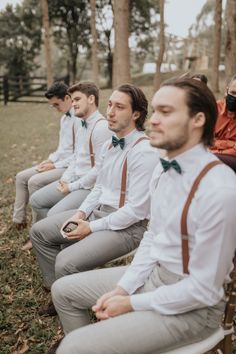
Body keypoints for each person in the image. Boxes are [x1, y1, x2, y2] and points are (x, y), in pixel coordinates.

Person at [50, 78, 236, 354]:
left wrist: (131, 303)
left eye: (167, 112)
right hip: (153, 274)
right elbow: (151, 237)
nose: (154, 121)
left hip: (194, 309)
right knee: (63, 291)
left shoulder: (220, 189)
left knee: (71, 348)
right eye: (156, 111)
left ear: (198, 119)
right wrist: (124, 288)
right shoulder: (163, 169)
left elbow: (204, 291)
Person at [30, 83, 159, 316]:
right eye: (110, 104)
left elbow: (136, 211)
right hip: (98, 212)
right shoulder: (110, 144)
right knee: (39, 232)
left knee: (65, 262)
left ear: (136, 114)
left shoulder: (145, 151)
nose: (110, 111)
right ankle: (57, 289)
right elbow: (99, 186)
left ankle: (72, 303)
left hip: (128, 227)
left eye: (119, 107)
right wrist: (81, 213)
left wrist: (90, 227)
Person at [29, 81, 111, 221]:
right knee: (36, 200)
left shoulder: (101, 127)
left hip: (89, 187)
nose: (73, 104)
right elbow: (75, 158)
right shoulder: (82, 126)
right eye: (72, 100)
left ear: (91, 99)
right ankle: (46, 234)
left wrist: (71, 187)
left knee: (52, 215)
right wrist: (65, 179)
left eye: (77, 99)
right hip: (74, 180)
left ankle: (53, 234)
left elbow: (100, 171)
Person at [12, 81, 78, 250]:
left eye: (57, 104)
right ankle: (18, 220)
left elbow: (78, 156)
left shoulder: (79, 119)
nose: (55, 108)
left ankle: (37, 233)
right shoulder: (65, 119)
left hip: (70, 167)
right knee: (21, 177)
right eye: (52, 106)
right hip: (59, 163)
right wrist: (50, 160)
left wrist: (55, 165)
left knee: (34, 181)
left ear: (67, 98)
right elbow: (62, 149)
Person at [210, 74, 236, 172]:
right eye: (233, 92)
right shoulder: (213, 109)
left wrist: (216, 146)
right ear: (226, 91)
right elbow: (205, 141)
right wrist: (231, 144)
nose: (234, 97)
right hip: (209, 155)